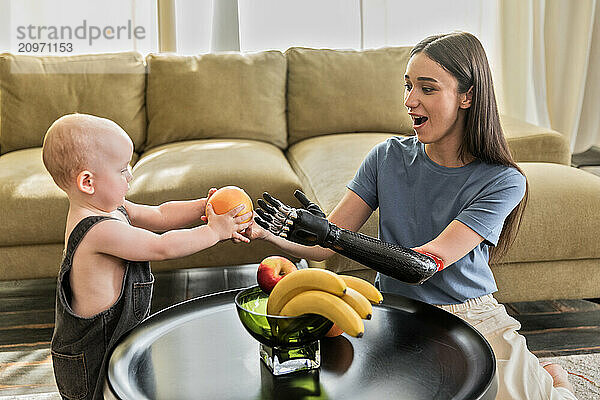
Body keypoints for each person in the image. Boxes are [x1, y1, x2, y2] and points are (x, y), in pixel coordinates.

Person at [244, 32, 576, 399]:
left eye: (427, 89)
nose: (409, 100)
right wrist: (264, 232)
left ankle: (556, 379)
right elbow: (323, 250)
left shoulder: (502, 181)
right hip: (393, 312)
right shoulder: (387, 157)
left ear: (467, 96)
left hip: (468, 314)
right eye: (407, 86)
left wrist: (330, 235)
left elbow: (421, 266)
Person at [42, 113, 252, 400]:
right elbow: (161, 246)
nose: (130, 175)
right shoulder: (97, 231)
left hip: (118, 337)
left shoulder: (111, 208)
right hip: (92, 355)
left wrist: (205, 205)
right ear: (87, 182)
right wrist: (214, 232)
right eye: (121, 170)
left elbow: (161, 214)